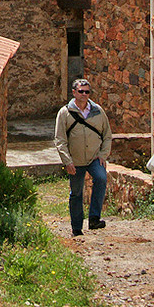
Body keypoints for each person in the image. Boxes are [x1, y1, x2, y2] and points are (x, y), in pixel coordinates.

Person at [54, 77, 113, 237]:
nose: (84, 95)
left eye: (87, 92)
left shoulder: (98, 111)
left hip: (94, 158)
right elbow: (60, 140)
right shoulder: (65, 113)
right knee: (76, 193)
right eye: (81, 91)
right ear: (74, 92)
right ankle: (76, 227)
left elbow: (107, 135)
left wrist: (103, 154)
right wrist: (67, 161)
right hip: (76, 160)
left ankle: (94, 218)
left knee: (101, 179)